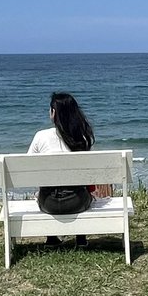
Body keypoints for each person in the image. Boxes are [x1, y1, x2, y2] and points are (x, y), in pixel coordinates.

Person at [28, 91, 95, 246]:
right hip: (77, 201)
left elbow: (30, 168)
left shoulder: (40, 136)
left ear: (53, 113)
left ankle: (51, 239)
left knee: (46, 190)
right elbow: (88, 174)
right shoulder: (83, 137)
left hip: (48, 203)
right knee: (81, 190)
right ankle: (80, 238)